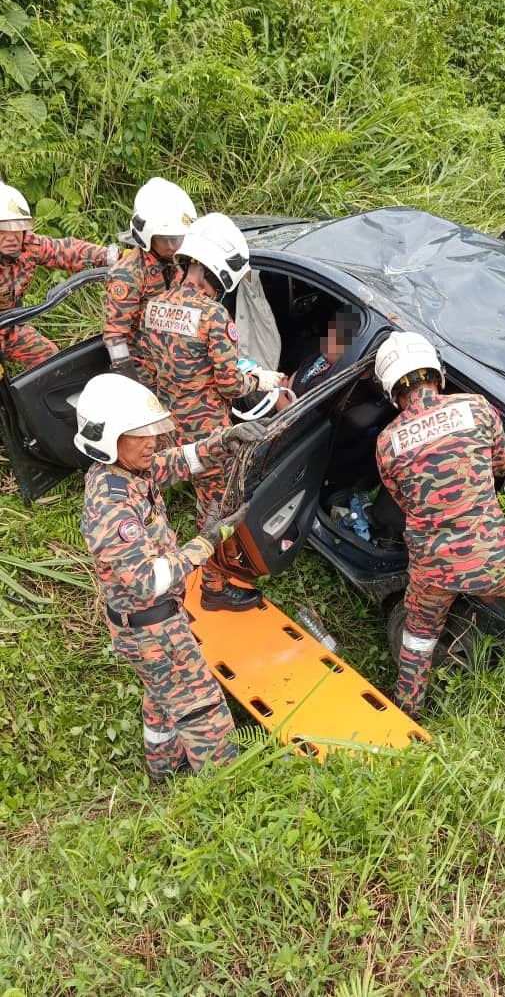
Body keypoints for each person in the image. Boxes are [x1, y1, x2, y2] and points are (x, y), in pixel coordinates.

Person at [75, 372, 269, 782]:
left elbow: (176, 461)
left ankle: (163, 771)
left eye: (151, 431)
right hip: (153, 628)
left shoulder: (125, 473)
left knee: (162, 697)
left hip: (149, 627)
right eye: (138, 434)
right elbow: (147, 581)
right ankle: (229, 795)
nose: (151, 441)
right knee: (201, 706)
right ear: (109, 438)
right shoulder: (112, 506)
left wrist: (222, 441)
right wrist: (206, 542)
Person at [374, 330, 505, 719]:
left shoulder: (386, 443)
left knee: (418, 640)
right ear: (437, 373)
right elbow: (504, 465)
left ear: (390, 389)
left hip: (432, 570)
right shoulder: (477, 408)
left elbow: (403, 501)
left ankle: (408, 711)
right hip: (494, 560)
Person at [145, 212, 283, 611]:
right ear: (218, 274)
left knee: (164, 488)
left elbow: (154, 367)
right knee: (218, 509)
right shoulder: (213, 316)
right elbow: (229, 384)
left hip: (169, 423)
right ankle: (214, 587)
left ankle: (161, 559)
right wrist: (263, 381)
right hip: (210, 433)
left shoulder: (156, 306)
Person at [0, 181, 117, 370]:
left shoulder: (29, 246)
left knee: (50, 362)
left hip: (9, 328)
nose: (11, 238)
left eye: (17, 229)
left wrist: (115, 257)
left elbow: (68, 251)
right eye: (3, 231)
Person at [103, 177, 197, 386]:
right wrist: (130, 381)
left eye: (178, 238)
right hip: (144, 369)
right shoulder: (128, 275)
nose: (174, 245)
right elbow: (115, 336)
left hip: (177, 360)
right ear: (147, 237)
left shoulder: (182, 261)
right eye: (166, 239)